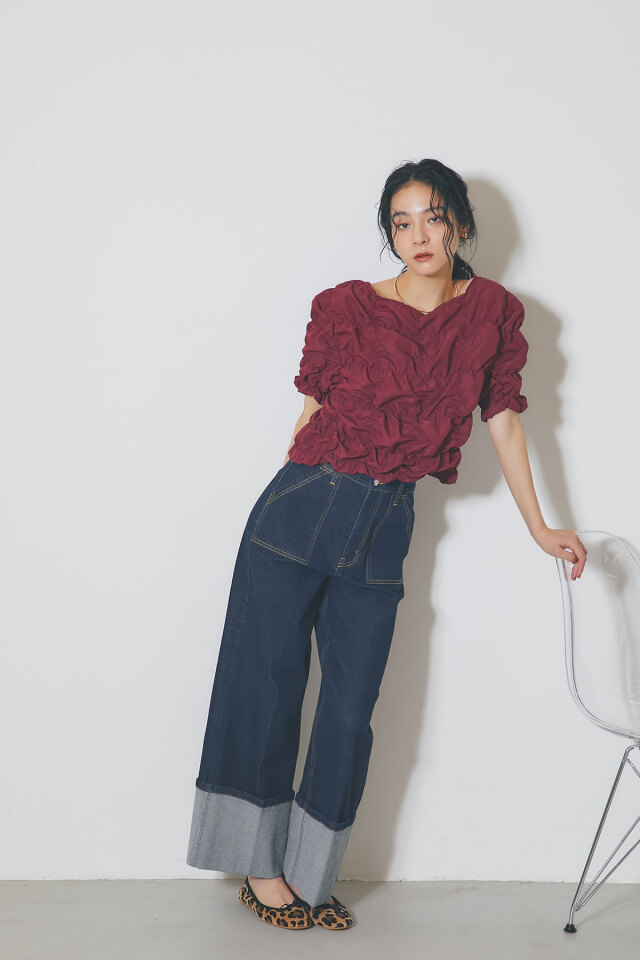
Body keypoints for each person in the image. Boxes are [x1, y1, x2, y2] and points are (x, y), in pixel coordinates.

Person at [185, 158, 588, 931]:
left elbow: (504, 421)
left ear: (461, 224)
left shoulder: (493, 313)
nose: (419, 235)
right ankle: (262, 870)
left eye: (433, 217)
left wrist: (541, 527)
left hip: (385, 522)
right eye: (401, 223)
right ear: (390, 235)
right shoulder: (344, 306)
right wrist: (293, 478)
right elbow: (310, 415)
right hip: (302, 504)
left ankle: (311, 873)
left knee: (348, 709)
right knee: (264, 684)